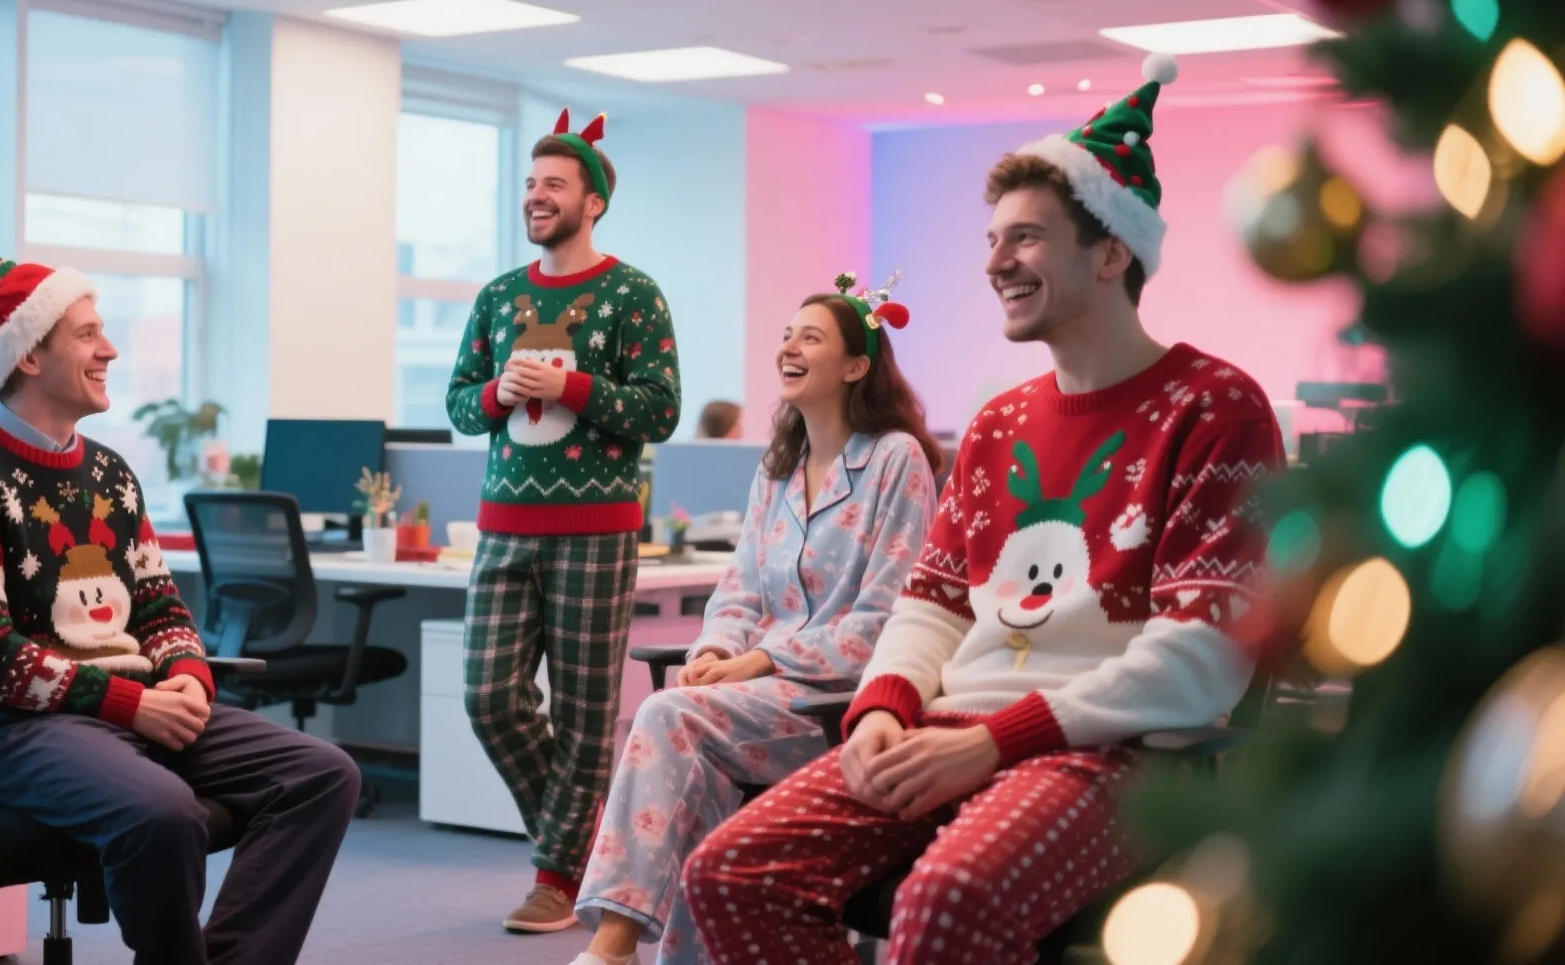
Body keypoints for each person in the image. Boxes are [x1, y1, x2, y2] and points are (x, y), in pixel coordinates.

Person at [682, 55, 1286, 964]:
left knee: (949, 898)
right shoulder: (1000, 423)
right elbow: (931, 605)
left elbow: (1201, 660)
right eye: (994, 238)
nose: (996, 262)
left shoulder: (1214, 408)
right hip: (947, 729)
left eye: (1028, 239)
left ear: (1112, 251)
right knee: (729, 873)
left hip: (1115, 753)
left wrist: (995, 743)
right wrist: (885, 705)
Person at [0, 232, 359, 965]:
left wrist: (185, 678)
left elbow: (159, 607)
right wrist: (130, 704)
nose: (109, 349)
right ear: (28, 356)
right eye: (87, 334)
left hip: (129, 709)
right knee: (163, 812)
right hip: (4, 732)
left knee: (322, 775)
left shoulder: (110, 473)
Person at [566, 280, 945, 965]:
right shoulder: (777, 470)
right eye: (786, 335)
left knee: (666, 716)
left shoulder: (896, 459)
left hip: (839, 701)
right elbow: (739, 588)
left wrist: (765, 661)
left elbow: (890, 617)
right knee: (696, 764)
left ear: (856, 366)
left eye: (811, 338)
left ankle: (611, 945)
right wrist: (716, 650)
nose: (789, 348)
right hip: (760, 701)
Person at [446, 109, 684, 934]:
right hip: (503, 525)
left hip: (597, 527)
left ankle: (555, 873)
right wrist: (496, 396)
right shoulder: (499, 295)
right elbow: (458, 404)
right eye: (530, 185)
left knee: (585, 712)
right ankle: (590, 843)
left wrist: (569, 389)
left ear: (594, 203)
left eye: (555, 185)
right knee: (487, 697)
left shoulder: (631, 293)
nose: (537, 197)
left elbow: (661, 410)